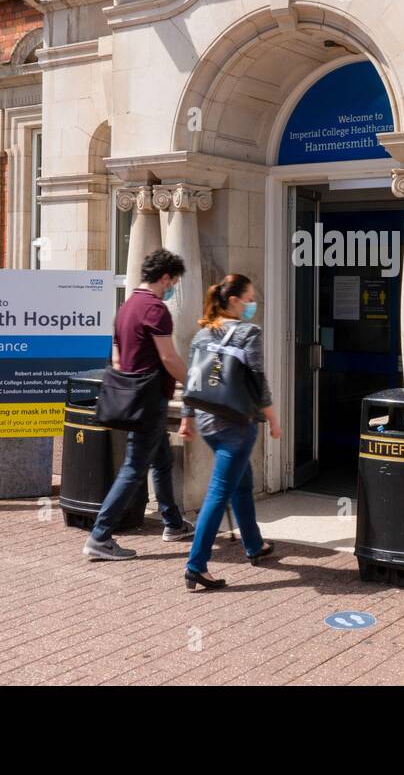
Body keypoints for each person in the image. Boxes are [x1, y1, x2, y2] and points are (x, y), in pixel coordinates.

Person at [82, 248, 196, 560]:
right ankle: (100, 536)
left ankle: (173, 523)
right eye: (173, 281)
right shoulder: (156, 310)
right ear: (165, 277)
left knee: (161, 461)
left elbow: (118, 359)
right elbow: (168, 357)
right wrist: (193, 383)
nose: (173, 286)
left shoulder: (126, 307)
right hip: (149, 400)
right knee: (134, 468)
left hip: (134, 398)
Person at [179, 274, 280, 590]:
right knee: (219, 491)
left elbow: (192, 378)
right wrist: (273, 419)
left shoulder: (202, 334)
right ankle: (196, 565)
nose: (253, 304)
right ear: (234, 301)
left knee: (241, 482)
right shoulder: (249, 332)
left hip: (209, 422)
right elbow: (258, 380)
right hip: (237, 423)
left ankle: (254, 545)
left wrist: (187, 417)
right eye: (249, 298)